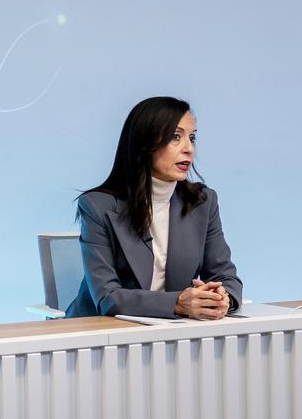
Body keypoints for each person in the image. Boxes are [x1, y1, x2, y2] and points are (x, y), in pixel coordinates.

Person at [66, 96, 242, 319]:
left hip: (168, 330)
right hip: (97, 330)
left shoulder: (202, 202)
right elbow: (108, 297)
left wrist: (222, 298)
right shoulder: (97, 206)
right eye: (176, 137)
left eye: (192, 137)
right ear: (144, 143)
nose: (189, 149)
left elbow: (226, 277)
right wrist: (178, 303)